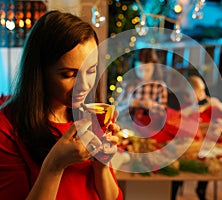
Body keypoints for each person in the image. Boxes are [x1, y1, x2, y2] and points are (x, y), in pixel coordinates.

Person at [0, 10, 123, 200]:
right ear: (40, 72)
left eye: (91, 70)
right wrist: (54, 165)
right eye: (69, 74)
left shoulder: (90, 116)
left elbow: (112, 197)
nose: (84, 86)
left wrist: (102, 165)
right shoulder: (6, 128)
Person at [173, 75, 222, 200]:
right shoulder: (186, 108)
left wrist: (217, 104)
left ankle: (201, 189)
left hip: (205, 149)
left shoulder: (211, 108)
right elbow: (178, 117)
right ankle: (174, 189)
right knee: (178, 163)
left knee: (210, 161)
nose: (202, 94)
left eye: (203, 90)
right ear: (187, 95)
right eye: (198, 91)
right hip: (188, 149)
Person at [116, 48, 168, 138]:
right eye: (139, 70)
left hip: (150, 128)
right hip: (127, 126)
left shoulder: (159, 86)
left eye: (147, 70)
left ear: (154, 67)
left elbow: (163, 112)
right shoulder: (128, 84)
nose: (143, 74)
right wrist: (129, 103)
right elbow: (118, 109)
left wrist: (151, 105)